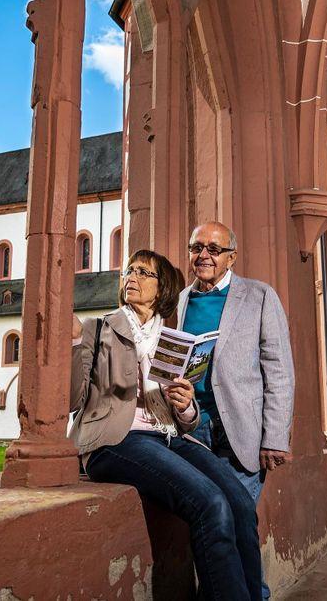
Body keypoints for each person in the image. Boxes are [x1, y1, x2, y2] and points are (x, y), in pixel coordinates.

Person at [70, 249, 262, 600]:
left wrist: (186, 404)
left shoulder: (172, 340)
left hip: (170, 437)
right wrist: (71, 345)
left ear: (162, 290)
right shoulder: (99, 329)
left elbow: (186, 422)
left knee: (239, 503)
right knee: (210, 503)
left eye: (144, 272)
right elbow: (70, 400)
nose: (132, 276)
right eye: (130, 270)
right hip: (119, 439)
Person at [177, 221, 296, 599]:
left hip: (242, 432)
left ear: (232, 256)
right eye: (197, 247)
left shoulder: (259, 296)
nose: (204, 255)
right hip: (192, 429)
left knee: (238, 521)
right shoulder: (181, 300)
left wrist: (274, 436)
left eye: (214, 249)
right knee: (210, 520)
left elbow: (279, 369)